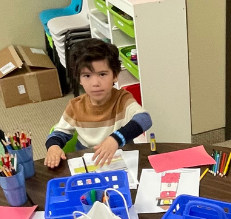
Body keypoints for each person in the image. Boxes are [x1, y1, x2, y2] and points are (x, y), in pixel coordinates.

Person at [44, 39, 152, 169]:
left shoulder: (122, 99)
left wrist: (115, 139)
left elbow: (144, 119)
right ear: (79, 79)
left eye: (102, 74)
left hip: (122, 161)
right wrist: (53, 146)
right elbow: (59, 133)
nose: (95, 83)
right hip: (88, 162)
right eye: (87, 76)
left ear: (115, 75)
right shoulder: (75, 106)